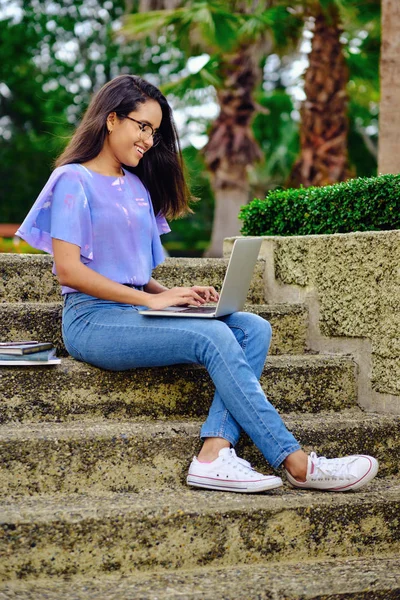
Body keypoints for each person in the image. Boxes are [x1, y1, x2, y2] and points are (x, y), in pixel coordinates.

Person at [17, 74, 378, 494]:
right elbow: (71, 272)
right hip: (91, 321)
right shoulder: (71, 180)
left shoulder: (135, 186)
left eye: (155, 131)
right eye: (142, 126)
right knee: (212, 336)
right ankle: (296, 463)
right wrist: (150, 300)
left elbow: (130, 272)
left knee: (253, 327)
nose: (149, 140)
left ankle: (214, 451)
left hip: (134, 309)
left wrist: (172, 295)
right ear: (112, 119)